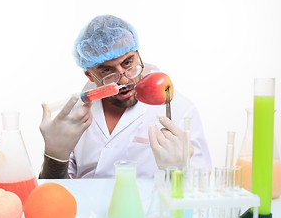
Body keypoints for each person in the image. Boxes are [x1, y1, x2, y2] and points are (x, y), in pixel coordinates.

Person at [39, 15, 211, 179]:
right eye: (107, 70)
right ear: (90, 75)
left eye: (127, 63)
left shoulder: (180, 109)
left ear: (138, 56)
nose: (123, 79)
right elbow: (53, 195)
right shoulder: (74, 116)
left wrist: (178, 173)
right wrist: (54, 156)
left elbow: (201, 194)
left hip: (149, 209)